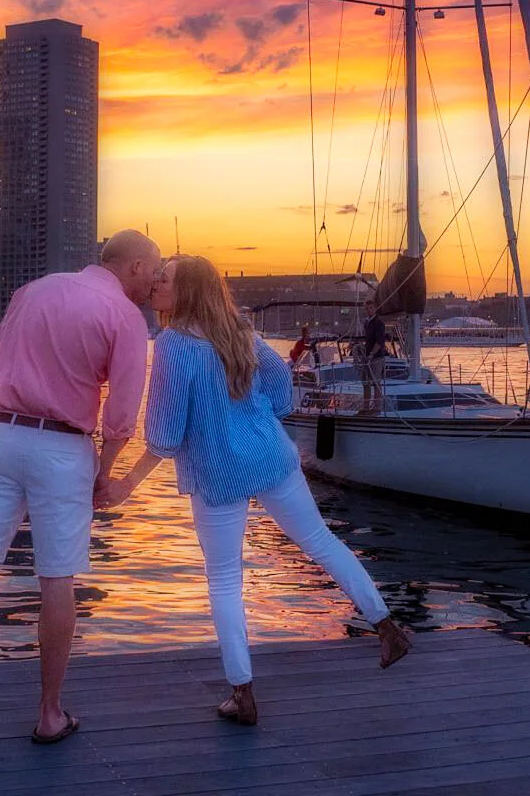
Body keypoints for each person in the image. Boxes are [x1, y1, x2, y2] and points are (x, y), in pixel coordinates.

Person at [102, 255, 411, 726]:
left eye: (164, 281)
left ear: (184, 292)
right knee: (323, 542)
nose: (156, 287)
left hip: (219, 472)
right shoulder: (238, 332)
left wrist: (128, 480)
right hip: (272, 457)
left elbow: (164, 436)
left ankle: (243, 694)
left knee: (225, 580)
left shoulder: (172, 345)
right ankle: (387, 629)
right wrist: (258, 415)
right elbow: (281, 382)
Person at [0, 229, 163, 752]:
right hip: (64, 446)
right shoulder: (125, 317)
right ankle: (48, 713)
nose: (156, 281)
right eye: (154, 271)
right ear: (135, 267)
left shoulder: (34, 290)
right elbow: (120, 415)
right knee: (57, 578)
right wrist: (104, 472)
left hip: (1, 434)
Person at [361, 308, 388, 412]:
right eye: (367, 308)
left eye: (370, 308)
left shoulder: (379, 323)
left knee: (376, 382)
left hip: (376, 357)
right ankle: (366, 407)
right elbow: (368, 340)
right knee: (366, 382)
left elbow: (380, 341)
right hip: (367, 357)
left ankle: (377, 407)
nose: (368, 310)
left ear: (375, 309)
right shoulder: (367, 323)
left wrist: (372, 354)